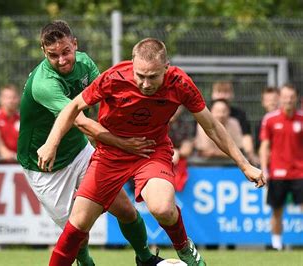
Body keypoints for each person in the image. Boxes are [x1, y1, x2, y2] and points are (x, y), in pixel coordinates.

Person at [38, 38, 266, 266]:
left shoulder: (180, 83)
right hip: (110, 154)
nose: (146, 84)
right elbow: (73, 107)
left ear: (166, 67)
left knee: (163, 209)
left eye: (153, 77)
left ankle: (184, 248)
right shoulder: (114, 77)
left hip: (151, 150)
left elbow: (212, 126)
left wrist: (244, 164)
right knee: (77, 224)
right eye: (140, 75)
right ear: (132, 64)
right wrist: (51, 143)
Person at [17, 21, 162, 266]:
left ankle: (145, 259)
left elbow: (110, 98)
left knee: (125, 210)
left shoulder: (84, 62)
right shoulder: (44, 84)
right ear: (44, 52)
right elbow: (81, 121)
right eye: (53, 55)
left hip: (80, 152)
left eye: (65, 52)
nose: (62, 60)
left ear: (75, 44)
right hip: (45, 167)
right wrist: (126, 144)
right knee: (78, 234)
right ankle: (86, 264)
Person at [259, 84, 303, 251]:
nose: (288, 100)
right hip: (277, 173)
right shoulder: (270, 119)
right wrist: (264, 169)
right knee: (277, 210)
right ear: (280, 98)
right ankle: (277, 245)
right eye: (285, 96)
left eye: (291, 96)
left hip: (300, 172)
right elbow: (264, 146)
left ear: (297, 98)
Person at [211, 81, 258, 164]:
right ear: (213, 94)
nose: (222, 95)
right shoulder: (204, 112)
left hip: (234, 159)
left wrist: (250, 155)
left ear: (231, 94)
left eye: (225, 92)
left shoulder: (239, 114)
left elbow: (246, 136)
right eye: (219, 92)